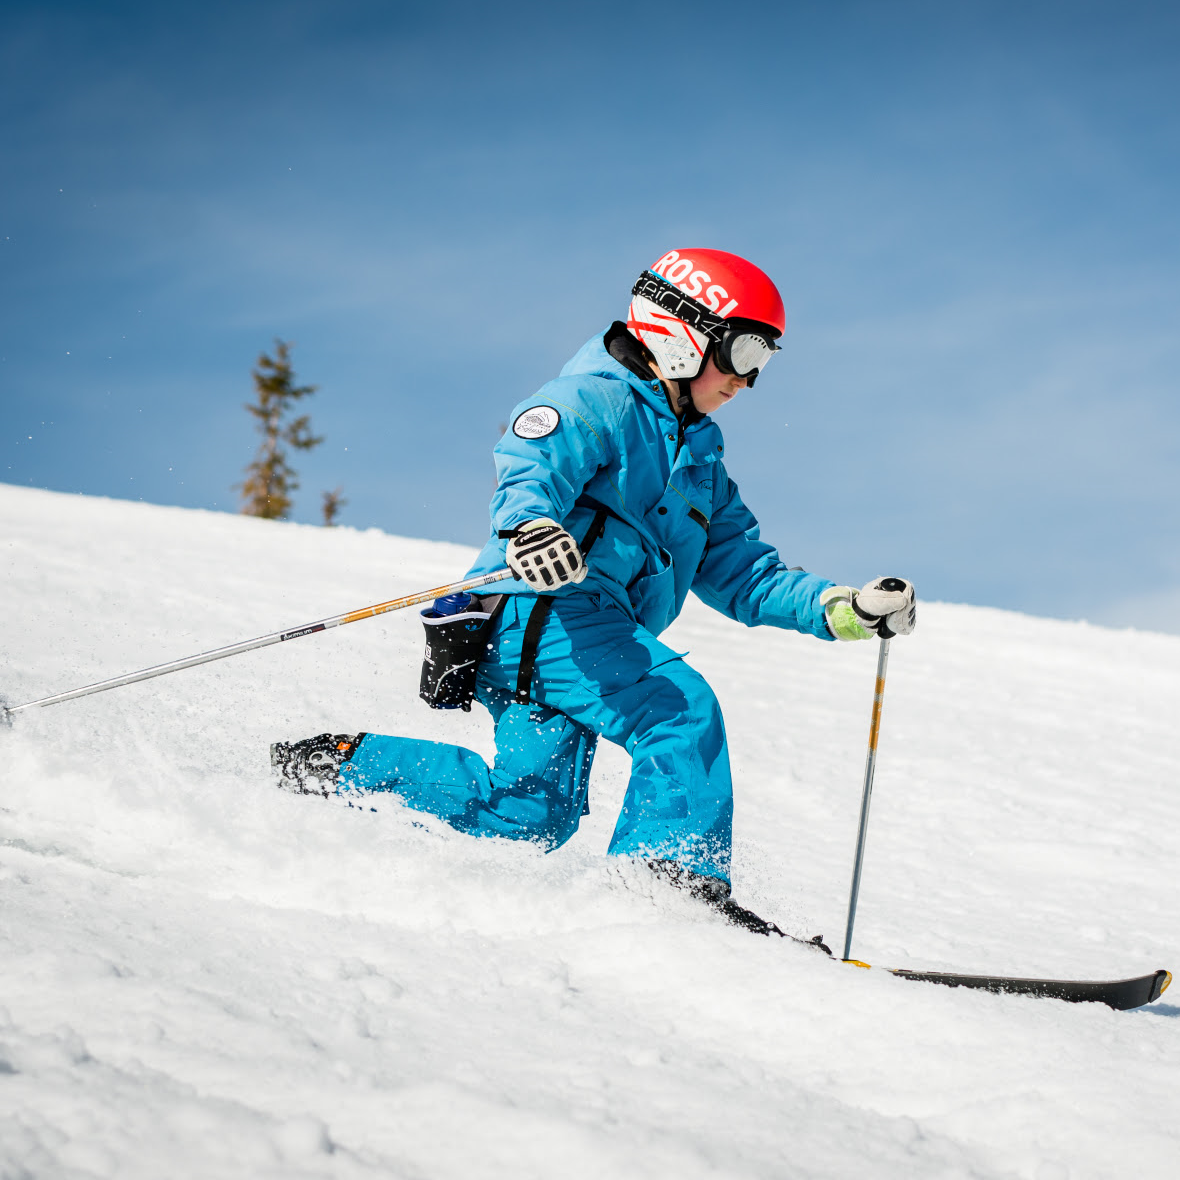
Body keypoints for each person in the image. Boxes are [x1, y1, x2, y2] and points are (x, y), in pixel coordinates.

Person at [272, 248, 915, 936]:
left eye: (766, 361)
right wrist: (530, 527)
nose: (748, 379)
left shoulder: (700, 463)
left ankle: (337, 766)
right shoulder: (595, 398)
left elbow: (747, 575)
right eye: (745, 350)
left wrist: (841, 611)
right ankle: (666, 889)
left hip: (571, 639)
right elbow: (529, 461)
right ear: (683, 331)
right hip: (544, 607)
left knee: (529, 815)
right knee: (676, 710)